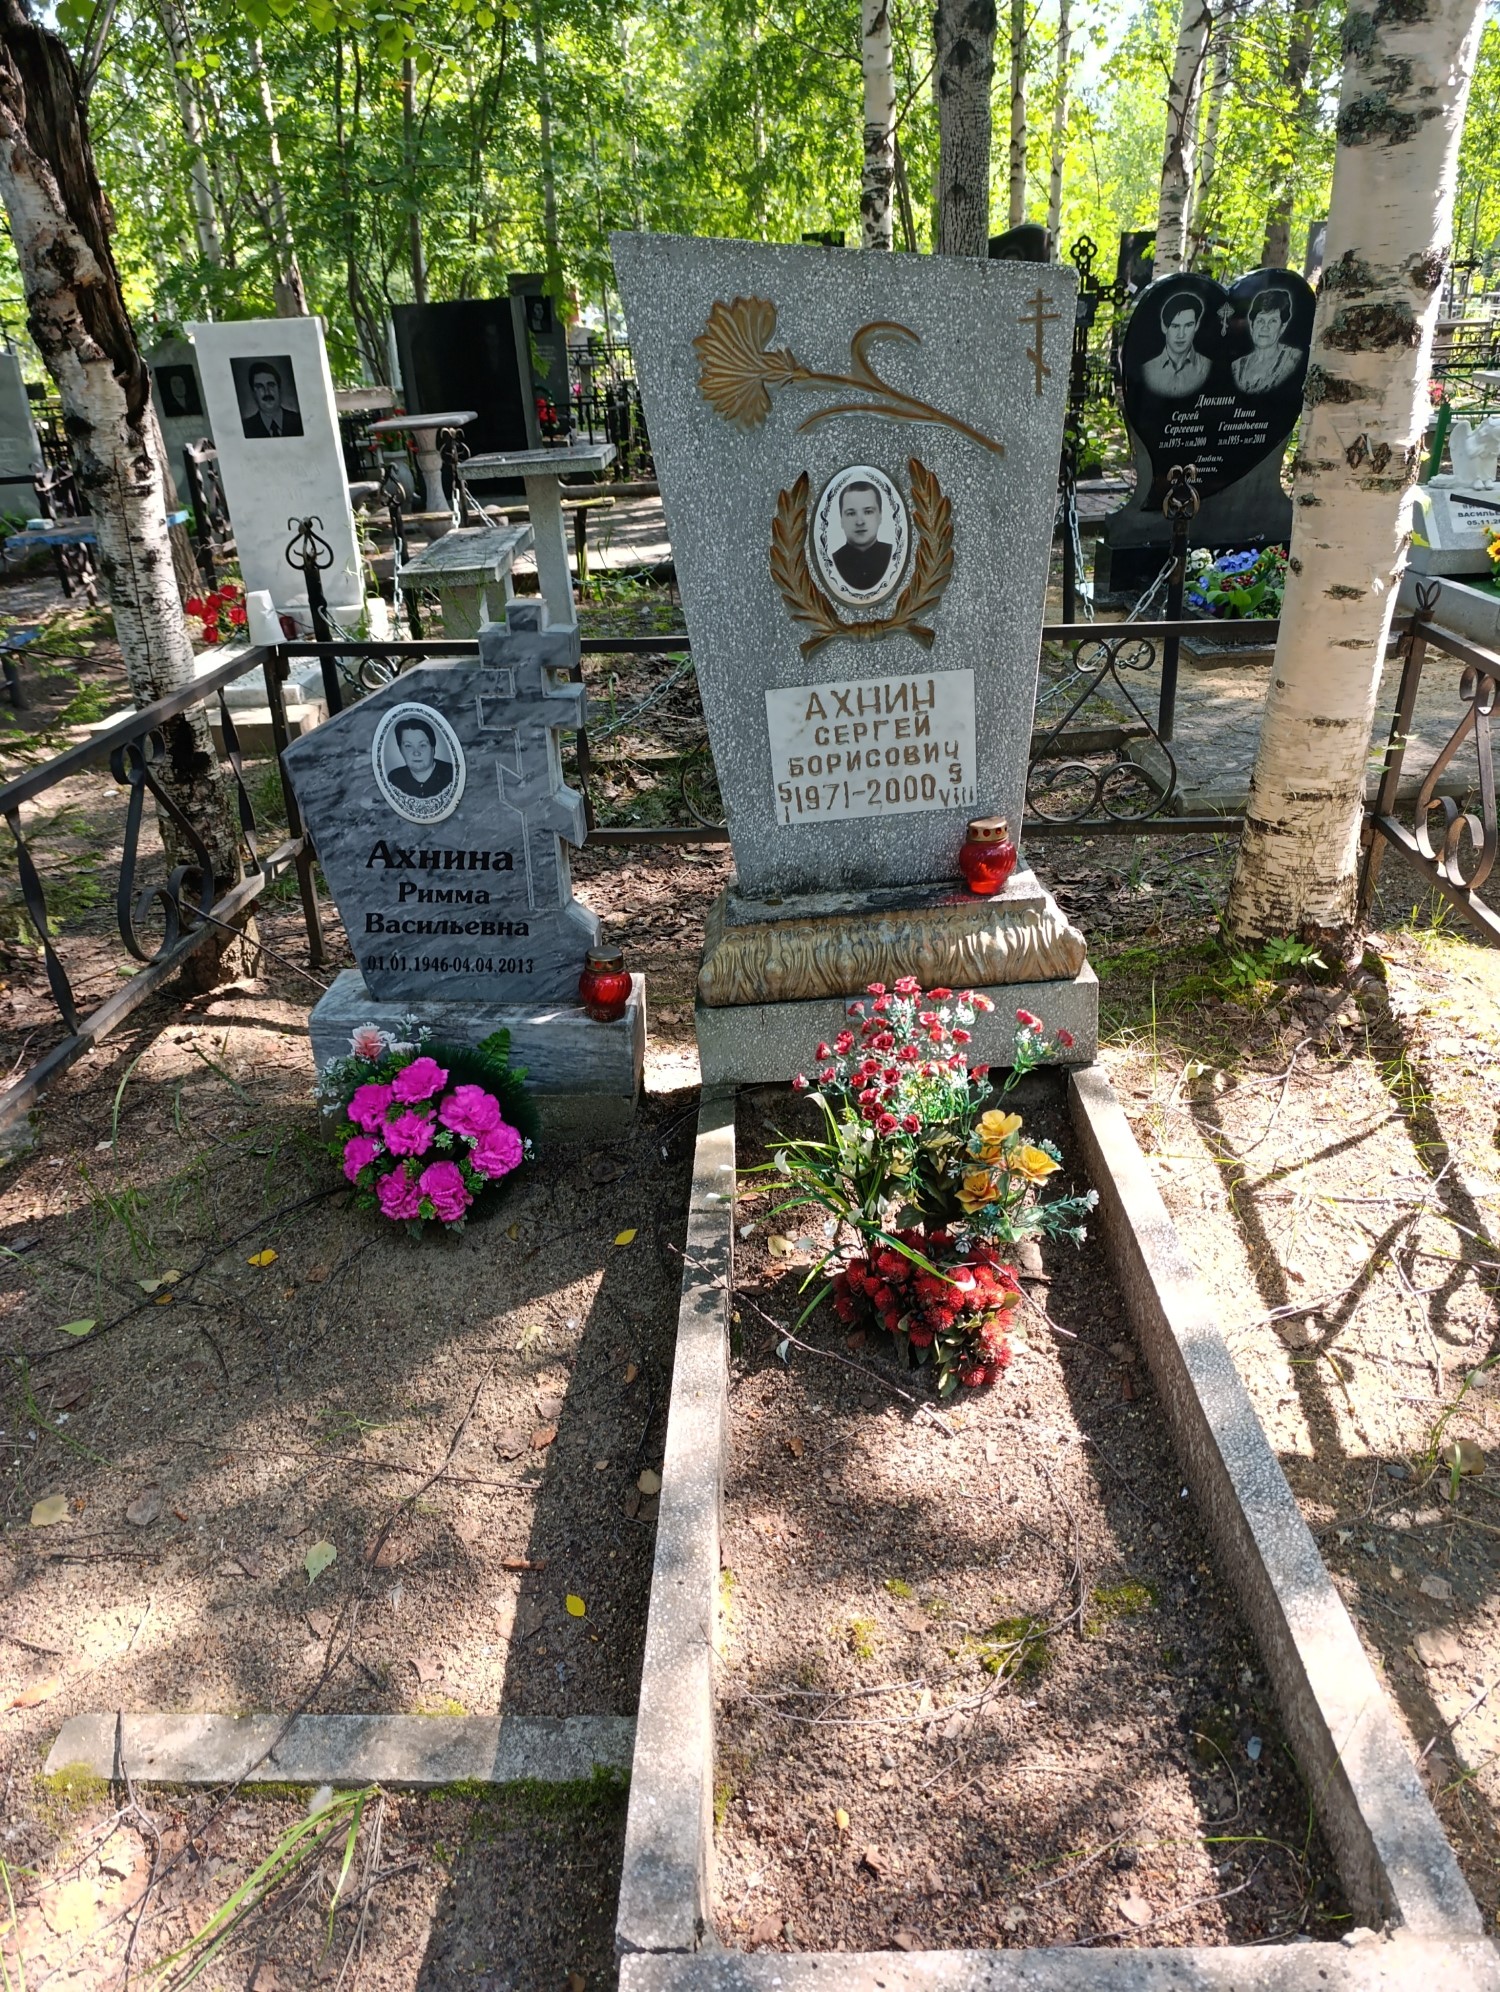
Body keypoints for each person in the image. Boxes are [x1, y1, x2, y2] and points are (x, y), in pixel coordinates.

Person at [1232, 288, 1301, 394]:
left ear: (1282, 327)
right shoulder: (1236, 367)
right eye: (1260, 321)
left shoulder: (1294, 359)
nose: (1265, 327)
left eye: (1273, 321)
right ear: (1252, 325)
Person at [830, 480, 896, 592]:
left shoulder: (894, 555)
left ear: (880, 516)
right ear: (841, 520)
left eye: (868, 512)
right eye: (851, 513)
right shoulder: (832, 562)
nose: (860, 522)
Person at [1142, 293, 1210, 398]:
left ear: (1196, 326)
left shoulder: (1208, 368)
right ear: (1164, 327)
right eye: (1175, 326)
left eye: (1188, 325)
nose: (1181, 335)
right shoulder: (1147, 371)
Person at [387, 715, 453, 800]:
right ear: (400, 750)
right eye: (408, 746)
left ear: (433, 748)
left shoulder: (451, 773)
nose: (416, 753)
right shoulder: (394, 778)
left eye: (422, 745)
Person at [241, 359, 304, 439]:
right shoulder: (245, 428)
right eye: (260, 387)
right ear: (253, 393)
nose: (266, 391)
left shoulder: (299, 421)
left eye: (271, 385)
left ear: (279, 388)